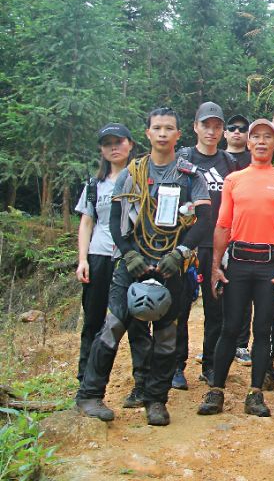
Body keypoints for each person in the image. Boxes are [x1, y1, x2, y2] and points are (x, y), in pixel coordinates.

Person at [76, 107, 212, 426]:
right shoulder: (131, 172)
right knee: (113, 326)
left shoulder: (191, 175)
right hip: (133, 264)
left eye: (169, 128)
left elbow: (205, 220)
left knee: (166, 336)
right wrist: (128, 253)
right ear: (148, 134)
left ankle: (156, 400)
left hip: (171, 266)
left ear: (179, 135)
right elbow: (114, 218)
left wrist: (180, 252)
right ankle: (90, 395)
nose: (163, 133)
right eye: (157, 128)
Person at [197, 118, 274, 418]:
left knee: (264, 329)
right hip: (238, 262)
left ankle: (255, 394)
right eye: (257, 137)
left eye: (268, 136)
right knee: (229, 328)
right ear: (249, 143)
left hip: (269, 264)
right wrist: (216, 266)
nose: (262, 141)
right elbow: (222, 225)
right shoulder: (234, 180)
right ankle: (216, 389)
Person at [75, 123, 150, 407]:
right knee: (93, 322)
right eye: (107, 143)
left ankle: (142, 385)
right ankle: (86, 381)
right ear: (101, 150)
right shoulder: (95, 186)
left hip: (132, 257)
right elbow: (86, 222)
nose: (114, 147)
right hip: (99, 257)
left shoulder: (141, 179)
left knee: (137, 323)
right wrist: (82, 259)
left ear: (130, 144)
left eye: (119, 141)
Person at [224, 74, 274, 366]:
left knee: (263, 320)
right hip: (232, 242)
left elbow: (272, 130)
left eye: (246, 130)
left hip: (265, 250)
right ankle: (223, 359)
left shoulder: (271, 168)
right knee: (229, 314)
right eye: (235, 129)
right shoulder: (225, 163)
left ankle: (259, 369)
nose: (243, 135)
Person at [173, 102, 240, 390]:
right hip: (186, 242)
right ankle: (176, 366)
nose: (211, 131)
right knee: (179, 309)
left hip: (217, 246)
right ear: (195, 127)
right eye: (206, 125)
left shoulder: (229, 163)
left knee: (216, 309)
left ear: (222, 130)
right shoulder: (183, 158)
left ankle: (211, 364)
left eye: (217, 126)